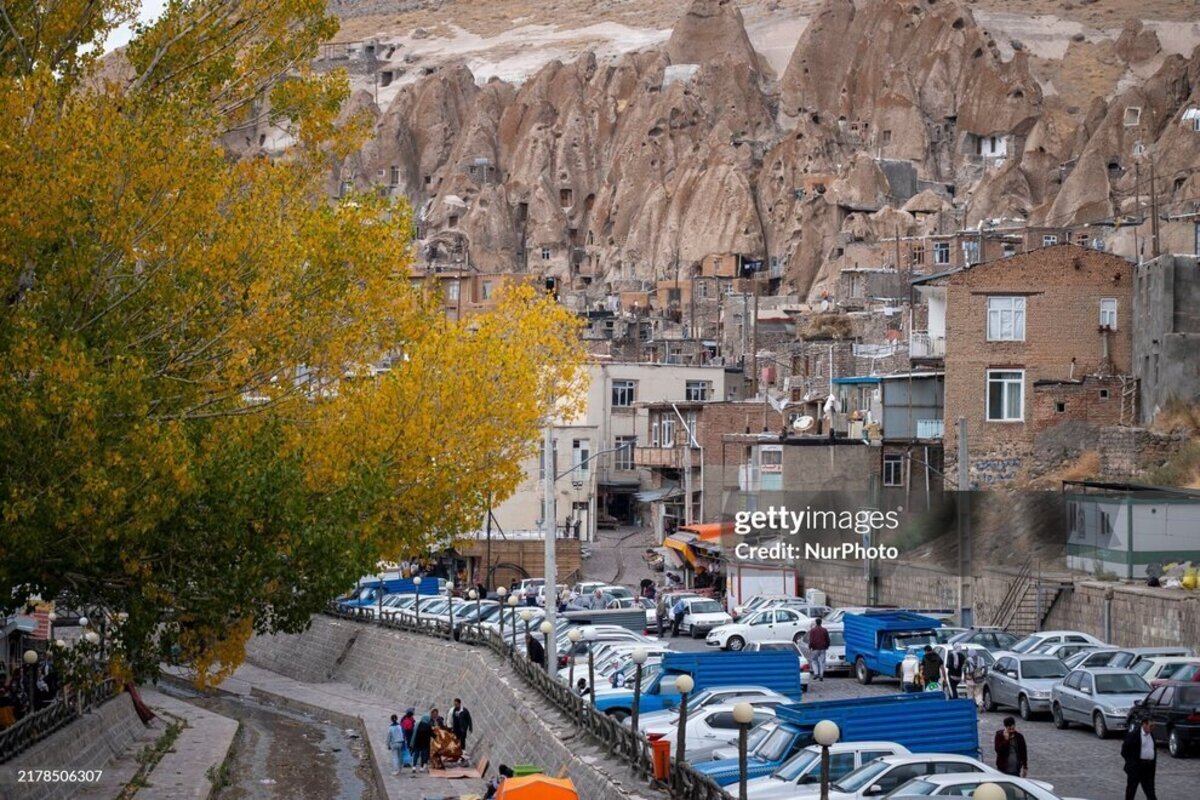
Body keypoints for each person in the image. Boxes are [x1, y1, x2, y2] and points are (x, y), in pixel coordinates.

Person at [1122, 717, 1158, 800]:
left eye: (1154, 726)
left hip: (1148, 768)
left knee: (1150, 792)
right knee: (1131, 790)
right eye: (1151, 725)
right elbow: (1124, 750)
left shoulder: (1151, 735)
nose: (1153, 728)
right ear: (1144, 724)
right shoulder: (1133, 735)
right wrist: (1132, 763)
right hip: (1136, 768)